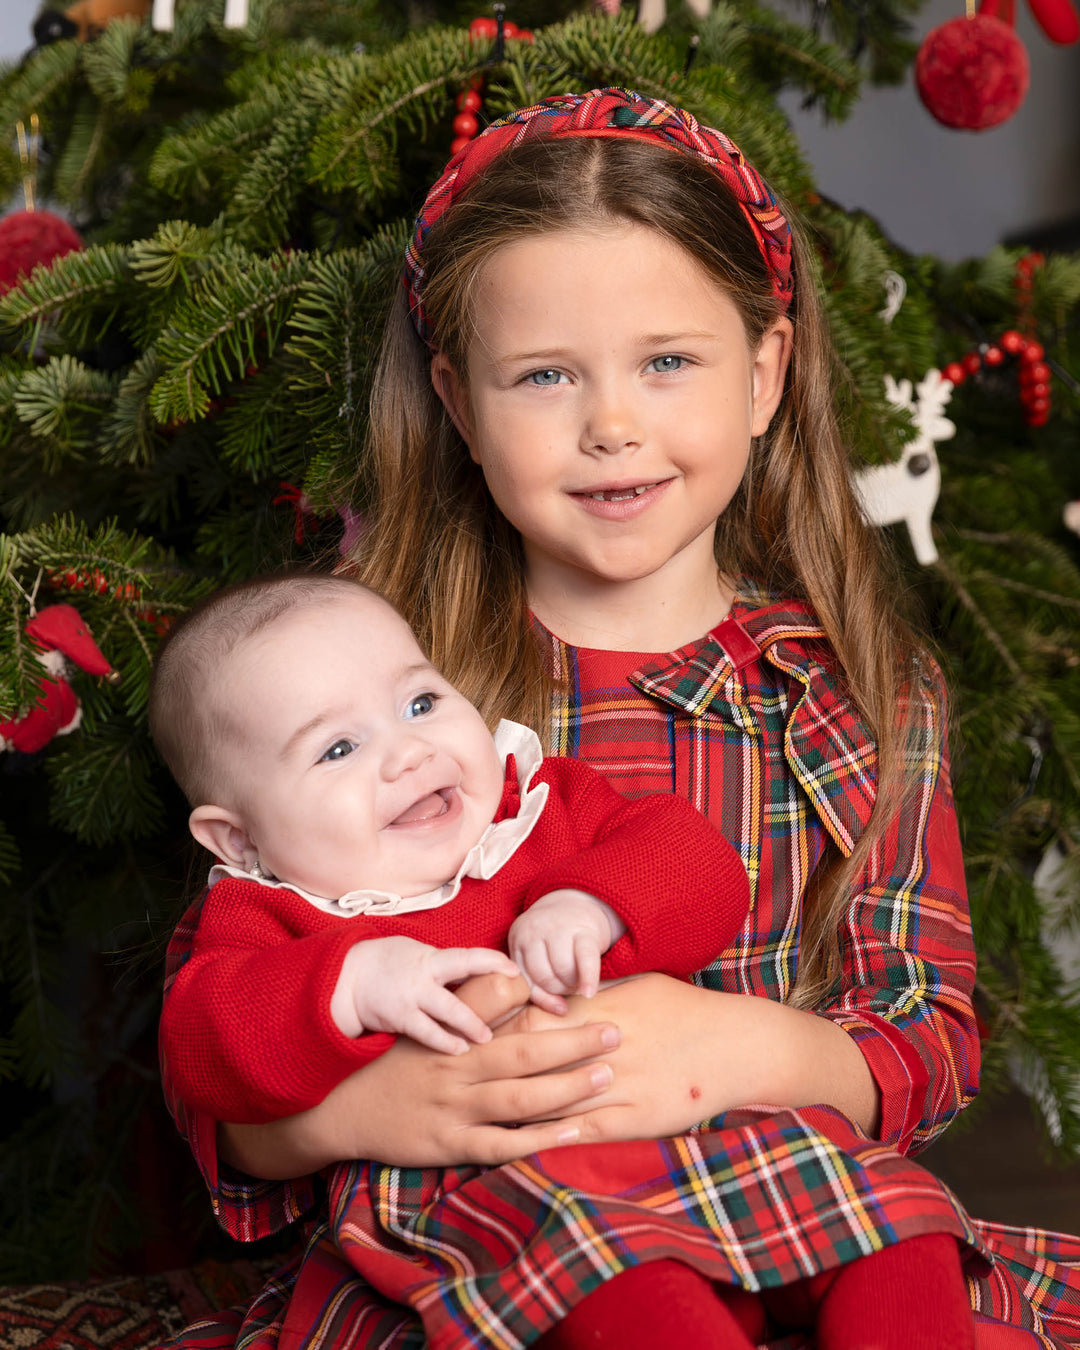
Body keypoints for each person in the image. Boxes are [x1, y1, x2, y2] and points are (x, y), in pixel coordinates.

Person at [158, 89, 1080, 1350]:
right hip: (491, 1241)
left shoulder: (857, 689)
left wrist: (732, 1047)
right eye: (545, 375)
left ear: (764, 374)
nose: (611, 426)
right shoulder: (380, 693)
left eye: (667, 361)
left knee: (911, 1242)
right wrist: (365, 1115)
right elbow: (216, 1058)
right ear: (458, 402)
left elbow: (924, 1037)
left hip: (784, 1185)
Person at [151, 571, 751, 1121]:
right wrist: (352, 985)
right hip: (456, 1195)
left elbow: (701, 864)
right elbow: (201, 1055)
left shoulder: (540, 810)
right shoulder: (266, 920)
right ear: (239, 840)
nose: (410, 752)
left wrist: (591, 906)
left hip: (666, 1146)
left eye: (420, 704)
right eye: (339, 749)